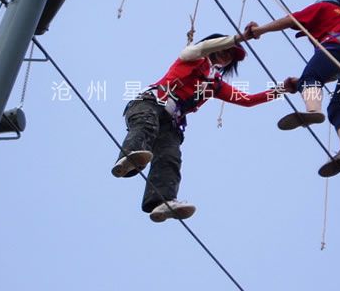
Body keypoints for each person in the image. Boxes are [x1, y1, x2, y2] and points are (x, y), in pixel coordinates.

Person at [112, 32, 295, 223]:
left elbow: (247, 100)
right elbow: (202, 48)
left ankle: (162, 201)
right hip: (150, 104)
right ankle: (128, 158)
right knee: (146, 126)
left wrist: (282, 89)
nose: (227, 55)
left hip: (171, 122)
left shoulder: (214, 84)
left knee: (170, 156)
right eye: (224, 49)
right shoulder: (192, 56)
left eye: (231, 55)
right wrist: (240, 38)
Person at [245, 0, 340, 178]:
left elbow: (290, 20)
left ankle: (313, 111)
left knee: (310, 78)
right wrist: (300, 83)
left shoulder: (323, 7)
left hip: (338, 46)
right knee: (338, 111)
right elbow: (334, 69)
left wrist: (259, 30)